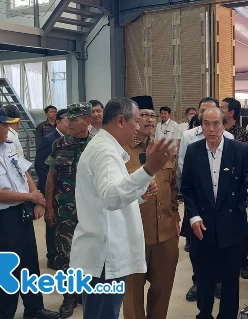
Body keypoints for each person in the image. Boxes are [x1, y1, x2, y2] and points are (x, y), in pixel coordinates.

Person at [70, 98, 176, 319]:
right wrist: (147, 170)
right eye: (135, 121)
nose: (138, 127)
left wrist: (139, 193)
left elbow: (109, 193)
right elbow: (110, 197)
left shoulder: (108, 147)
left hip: (105, 254)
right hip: (104, 258)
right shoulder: (104, 151)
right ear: (120, 121)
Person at [0, 109, 58, 319]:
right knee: (3, 269)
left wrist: (36, 198)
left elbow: (24, 173)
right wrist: (30, 198)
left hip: (21, 213)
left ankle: (34, 309)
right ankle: (5, 313)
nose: (9, 129)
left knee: (29, 263)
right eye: (5, 125)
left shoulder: (7, 148)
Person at [181, 107, 248, 319]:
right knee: (204, 277)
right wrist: (193, 215)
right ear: (201, 126)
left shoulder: (240, 150)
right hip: (202, 226)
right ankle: (204, 314)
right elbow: (186, 188)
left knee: (230, 279)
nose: (211, 129)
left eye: (216, 123)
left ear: (225, 125)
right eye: (206, 124)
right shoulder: (193, 150)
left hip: (232, 225)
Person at [123, 96, 180, 319]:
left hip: (165, 235)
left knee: (162, 292)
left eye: (151, 115)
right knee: (133, 296)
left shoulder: (163, 148)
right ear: (132, 120)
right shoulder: (120, 152)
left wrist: (175, 218)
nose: (148, 120)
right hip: (133, 236)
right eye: (143, 115)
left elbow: (173, 189)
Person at [178, 97, 234, 302]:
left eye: (213, 114)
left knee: (219, 244)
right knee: (196, 246)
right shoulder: (188, 137)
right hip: (196, 200)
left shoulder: (226, 137)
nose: (209, 123)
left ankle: (217, 281)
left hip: (220, 203)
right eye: (203, 113)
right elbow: (183, 165)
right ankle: (198, 281)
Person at [44, 104, 93, 318]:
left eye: (75, 119)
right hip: (65, 212)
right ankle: (69, 297)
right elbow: (51, 177)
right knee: (66, 256)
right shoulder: (59, 144)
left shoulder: (98, 145)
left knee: (90, 254)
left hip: (91, 213)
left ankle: (86, 294)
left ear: (88, 121)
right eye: (68, 120)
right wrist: (48, 208)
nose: (70, 123)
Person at [35, 109, 68, 270]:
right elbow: (40, 166)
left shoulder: (72, 140)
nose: (70, 123)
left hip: (67, 192)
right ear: (59, 122)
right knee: (51, 223)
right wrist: (51, 186)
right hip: (52, 190)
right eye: (67, 120)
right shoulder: (49, 140)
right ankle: (52, 256)